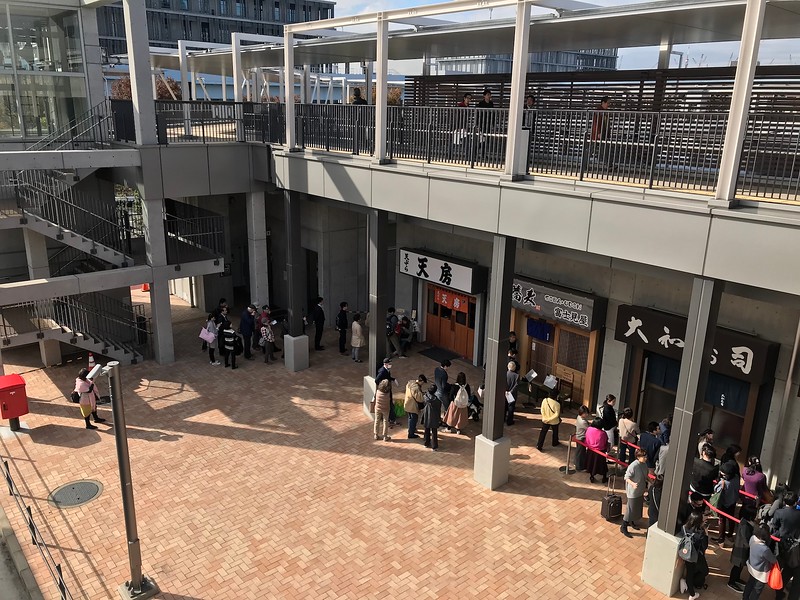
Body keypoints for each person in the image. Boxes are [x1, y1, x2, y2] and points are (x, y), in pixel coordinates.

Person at [742, 526, 778, 600]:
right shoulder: (765, 549)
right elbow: (773, 560)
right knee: (757, 590)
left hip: (752, 567)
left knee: (750, 584)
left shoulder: (752, 538)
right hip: (761, 573)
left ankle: (744, 598)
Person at [679, 512, 709, 600]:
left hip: (686, 553)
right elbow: (705, 546)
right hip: (697, 556)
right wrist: (706, 533)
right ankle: (691, 592)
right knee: (705, 571)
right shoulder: (700, 533)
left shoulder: (684, 527)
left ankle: (689, 588)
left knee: (690, 572)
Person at [621, 448, 649, 538]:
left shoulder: (644, 465)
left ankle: (631, 521)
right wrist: (632, 484)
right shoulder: (633, 466)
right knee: (630, 509)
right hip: (633, 492)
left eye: (646, 456)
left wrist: (651, 481)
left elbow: (646, 476)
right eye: (644, 456)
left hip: (640, 490)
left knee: (636, 507)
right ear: (638, 457)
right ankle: (624, 526)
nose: (646, 458)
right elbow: (626, 477)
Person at [729, 504, 757, 592]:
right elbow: (746, 539)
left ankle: (736, 579)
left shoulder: (745, 522)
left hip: (741, 549)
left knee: (739, 566)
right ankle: (731, 582)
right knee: (737, 566)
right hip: (741, 550)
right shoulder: (745, 525)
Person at [714, 461, 741, 544]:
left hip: (724, 503)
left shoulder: (724, 483)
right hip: (732, 502)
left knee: (722, 520)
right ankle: (730, 534)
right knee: (731, 518)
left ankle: (721, 538)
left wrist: (720, 481)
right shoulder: (736, 478)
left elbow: (716, 489)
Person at [585, 419, 609, 484]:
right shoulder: (603, 433)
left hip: (590, 450)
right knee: (603, 465)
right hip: (600, 452)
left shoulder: (589, 429)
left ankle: (592, 476)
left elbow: (586, 438)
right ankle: (604, 478)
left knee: (591, 464)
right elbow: (604, 442)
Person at [404, 374, 427, 439]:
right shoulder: (416, 388)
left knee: (410, 418)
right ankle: (411, 434)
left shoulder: (410, 383)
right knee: (413, 419)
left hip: (408, 404)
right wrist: (424, 395)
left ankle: (411, 430)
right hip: (412, 406)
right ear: (421, 381)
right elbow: (420, 399)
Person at [375, 357, 397, 427]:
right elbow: (376, 380)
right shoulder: (382, 371)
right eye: (389, 363)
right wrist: (382, 386)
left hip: (388, 388)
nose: (390, 364)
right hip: (386, 390)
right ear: (385, 364)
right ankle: (392, 419)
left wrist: (393, 379)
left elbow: (388, 377)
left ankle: (392, 418)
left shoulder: (387, 370)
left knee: (390, 402)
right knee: (389, 403)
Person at [422, 384, 442, 451]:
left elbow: (423, 404)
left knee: (426, 429)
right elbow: (438, 409)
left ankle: (426, 443)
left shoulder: (425, 396)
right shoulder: (437, 400)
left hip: (426, 414)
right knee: (434, 432)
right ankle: (434, 446)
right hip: (434, 416)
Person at [574, 405, 590, 471]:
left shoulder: (579, 417)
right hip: (581, 438)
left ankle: (577, 464)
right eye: (585, 413)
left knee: (579, 452)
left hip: (579, 437)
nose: (586, 414)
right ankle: (579, 467)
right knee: (580, 453)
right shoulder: (583, 422)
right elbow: (588, 428)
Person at [505, 361, 519, 426]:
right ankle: (509, 421)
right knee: (511, 407)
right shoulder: (516, 376)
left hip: (505, 392)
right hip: (512, 394)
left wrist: (505, 391)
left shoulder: (505, 374)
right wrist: (511, 391)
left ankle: (502, 419)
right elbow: (516, 385)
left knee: (504, 406)